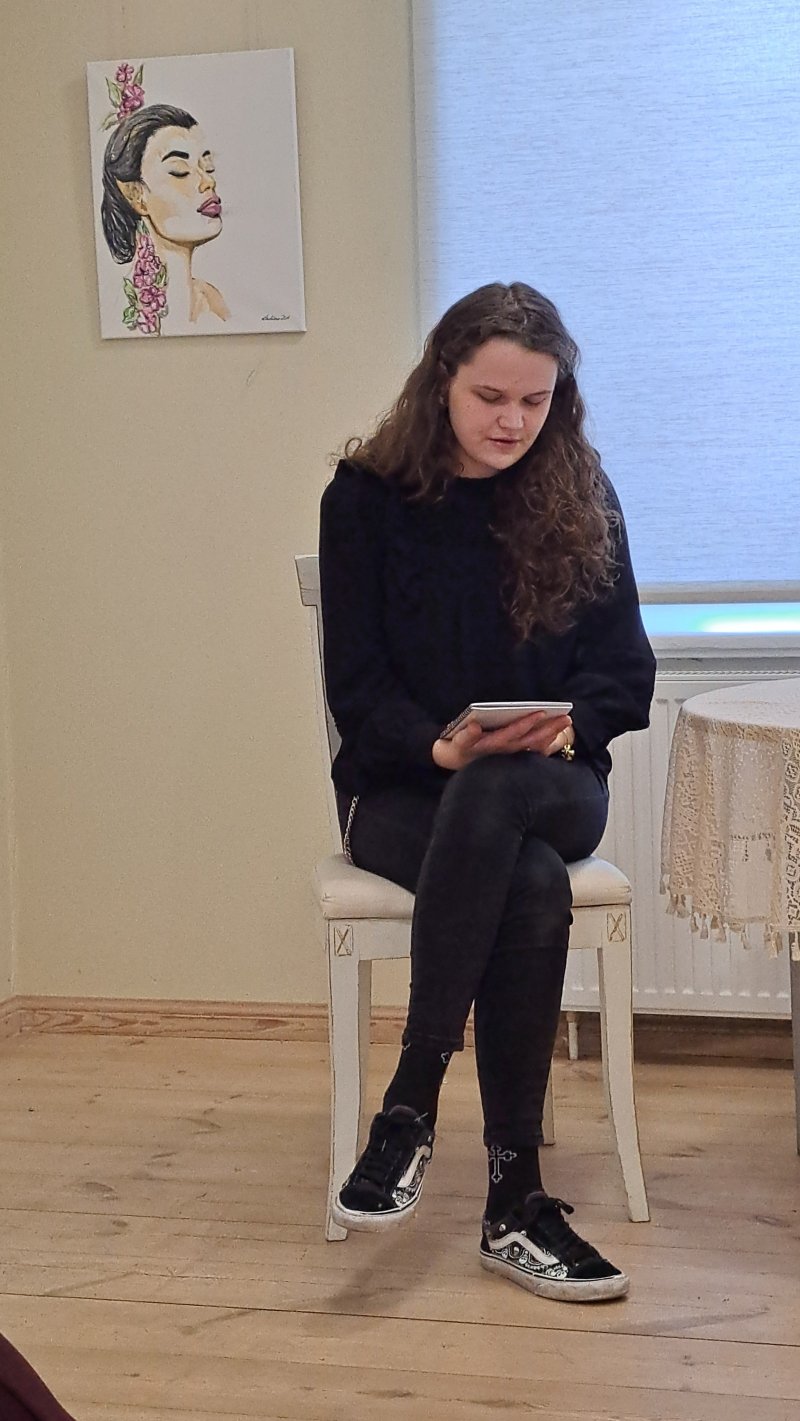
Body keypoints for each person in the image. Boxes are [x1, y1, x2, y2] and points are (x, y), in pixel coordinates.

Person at [318, 282, 656, 1303]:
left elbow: (624, 673)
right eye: (490, 397)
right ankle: (515, 1200)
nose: (513, 421)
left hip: (555, 780)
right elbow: (357, 691)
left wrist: (564, 726)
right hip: (404, 792)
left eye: (535, 401)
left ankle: (410, 1100)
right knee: (529, 881)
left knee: (505, 788)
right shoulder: (364, 500)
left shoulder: (581, 494)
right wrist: (439, 748)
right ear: (440, 383)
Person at [101, 103, 229, 332]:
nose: (208, 181)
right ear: (136, 194)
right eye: (180, 171)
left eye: (207, 167)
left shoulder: (212, 301)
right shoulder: (120, 308)